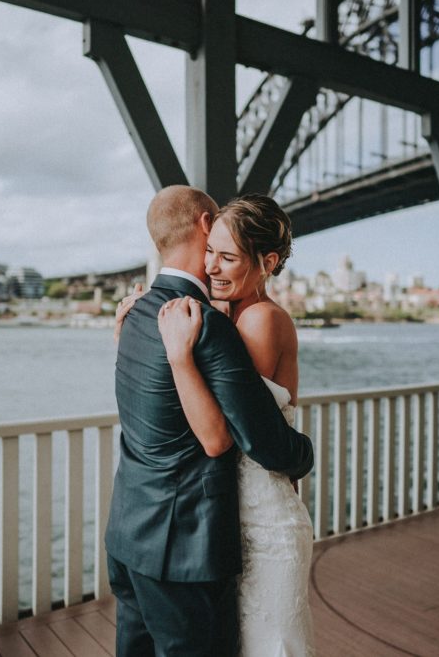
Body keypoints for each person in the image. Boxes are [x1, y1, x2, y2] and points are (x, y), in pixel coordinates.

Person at [107, 185, 314, 657]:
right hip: (182, 545)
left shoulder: (139, 312)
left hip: (130, 531)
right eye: (215, 252)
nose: (216, 265)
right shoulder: (205, 323)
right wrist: (306, 454)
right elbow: (238, 440)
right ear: (205, 225)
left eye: (230, 256)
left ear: (266, 262)